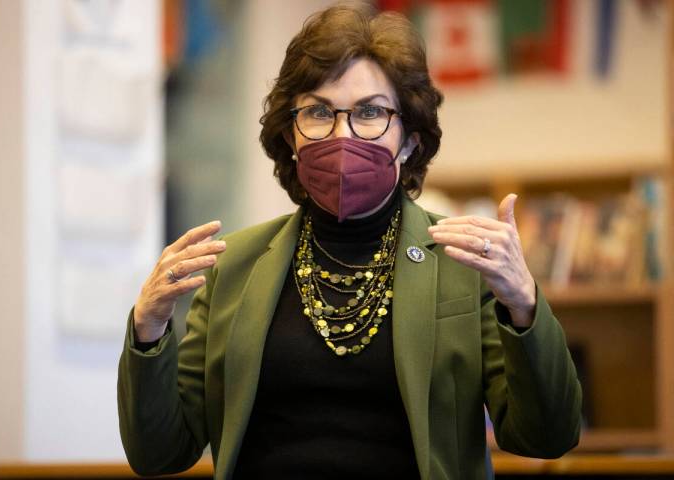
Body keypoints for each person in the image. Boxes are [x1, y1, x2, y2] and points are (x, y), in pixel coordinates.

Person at [117, 4, 582, 479]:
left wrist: (523, 305)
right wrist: (148, 327)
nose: (343, 134)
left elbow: (545, 437)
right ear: (290, 135)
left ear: (409, 140)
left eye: (370, 112)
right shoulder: (234, 265)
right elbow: (159, 452)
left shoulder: (464, 263)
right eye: (318, 112)